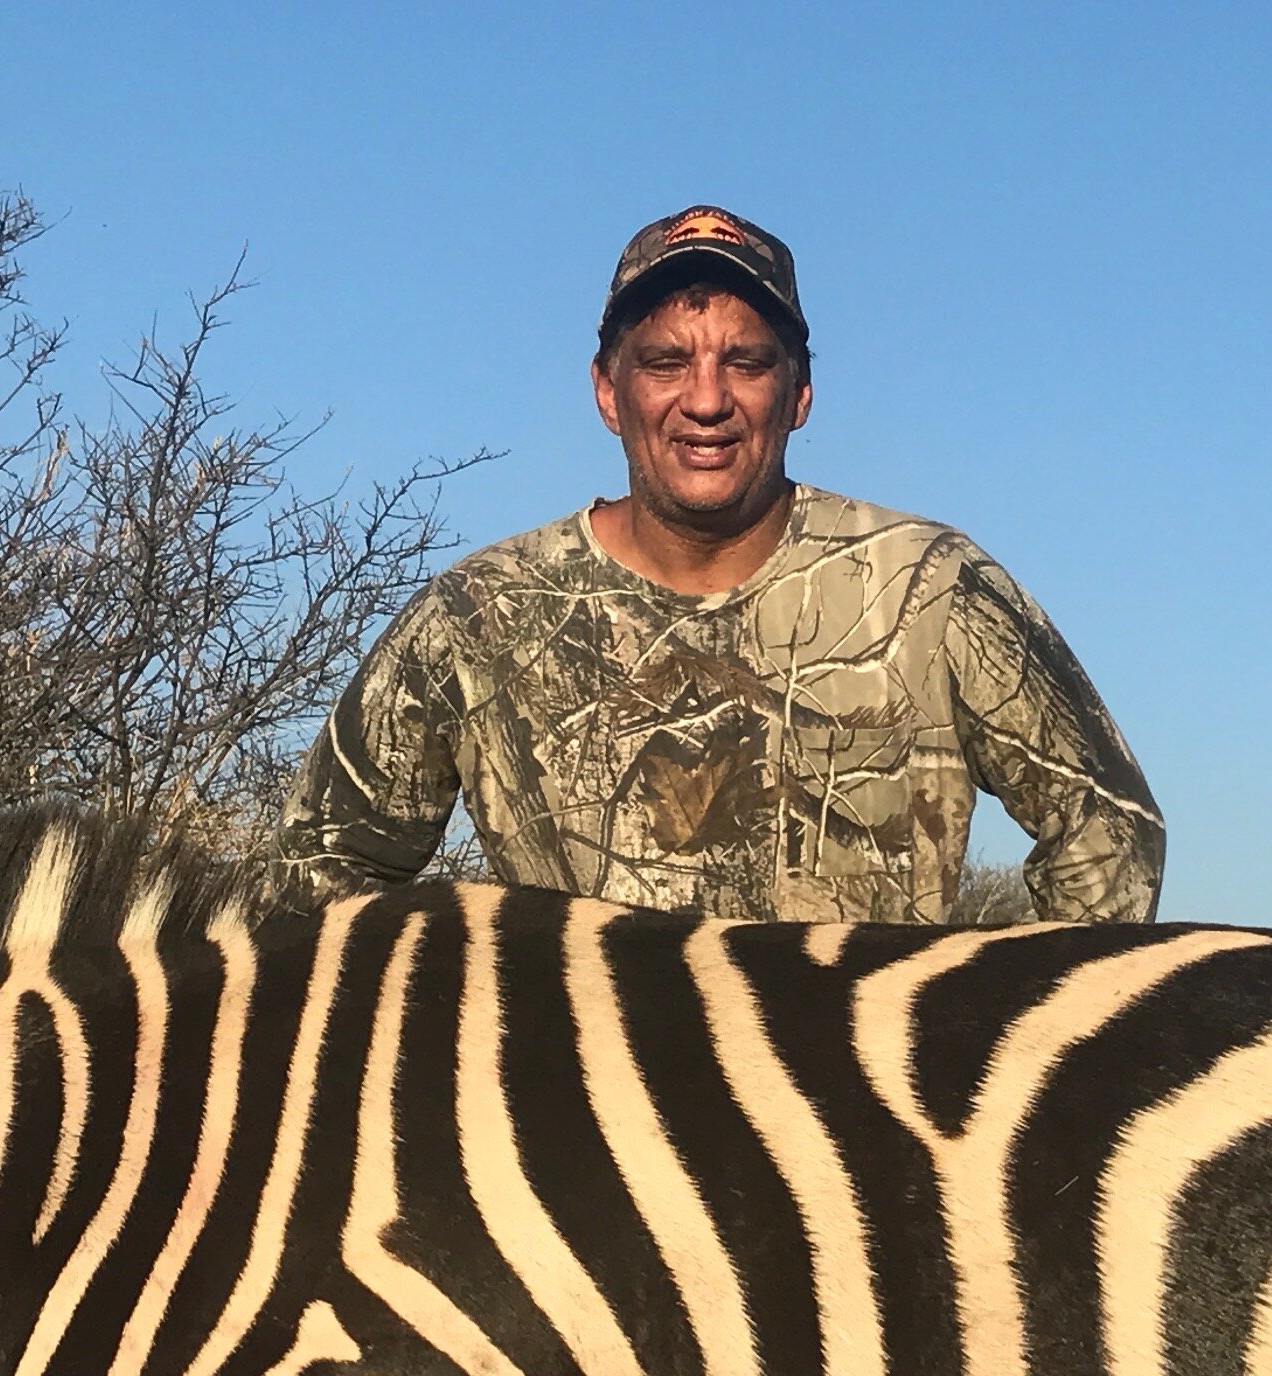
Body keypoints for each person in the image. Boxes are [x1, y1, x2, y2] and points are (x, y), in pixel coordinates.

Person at [280, 204, 1162, 924]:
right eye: (665, 362)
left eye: (746, 363)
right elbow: (322, 865)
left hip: (861, 1130)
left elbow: (1109, 827)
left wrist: (990, 1050)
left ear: (800, 394)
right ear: (607, 391)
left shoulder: (930, 586)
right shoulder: (480, 616)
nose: (706, 400)